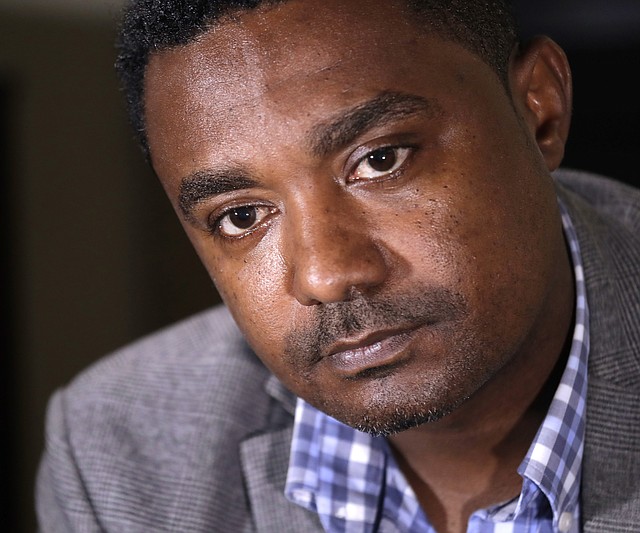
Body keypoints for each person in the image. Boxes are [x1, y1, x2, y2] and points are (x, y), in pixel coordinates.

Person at [35, 0, 640, 531]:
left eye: (380, 160)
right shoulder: (119, 450)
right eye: (241, 217)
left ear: (540, 108)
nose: (325, 274)